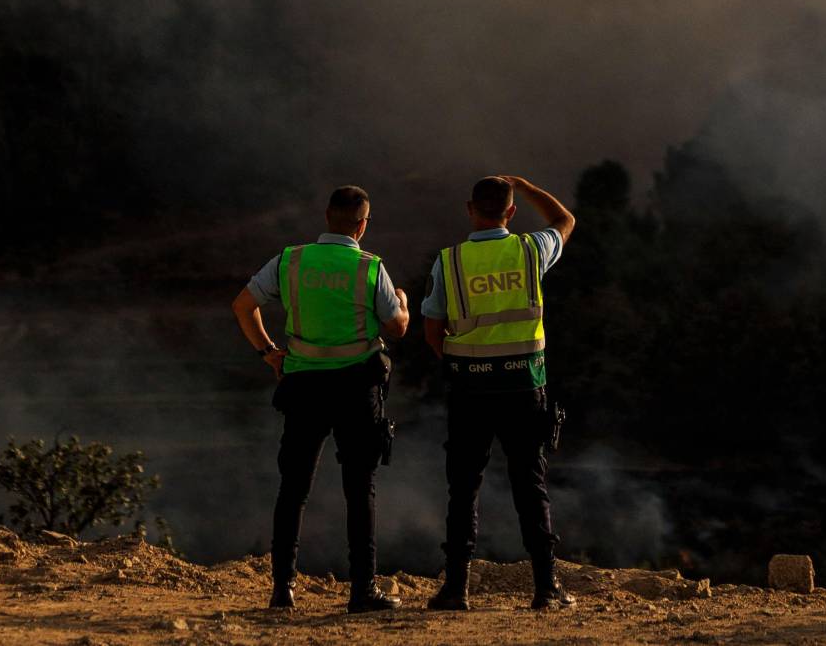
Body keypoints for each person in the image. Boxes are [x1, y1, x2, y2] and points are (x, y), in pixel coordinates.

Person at [231, 185, 410, 613]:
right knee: (359, 488)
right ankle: (362, 591)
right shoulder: (370, 267)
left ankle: (282, 589)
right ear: (362, 225)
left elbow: (242, 305)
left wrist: (267, 351)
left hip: (303, 388)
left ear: (326, 218)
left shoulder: (291, 260)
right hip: (357, 390)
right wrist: (402, 301)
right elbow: (398, 328)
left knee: (293, 488)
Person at [421, 175, 577, 611]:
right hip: (524, 385)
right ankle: (546, 588)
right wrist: (527, 188)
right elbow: (565, 219)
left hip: (470, 388)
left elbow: (432, 330)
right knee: (530, 483)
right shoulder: (530, 250)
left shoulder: (448, 262)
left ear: (470, 209)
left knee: (463, 487)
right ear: (510, 212)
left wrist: (461, 362)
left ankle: (455, 589)